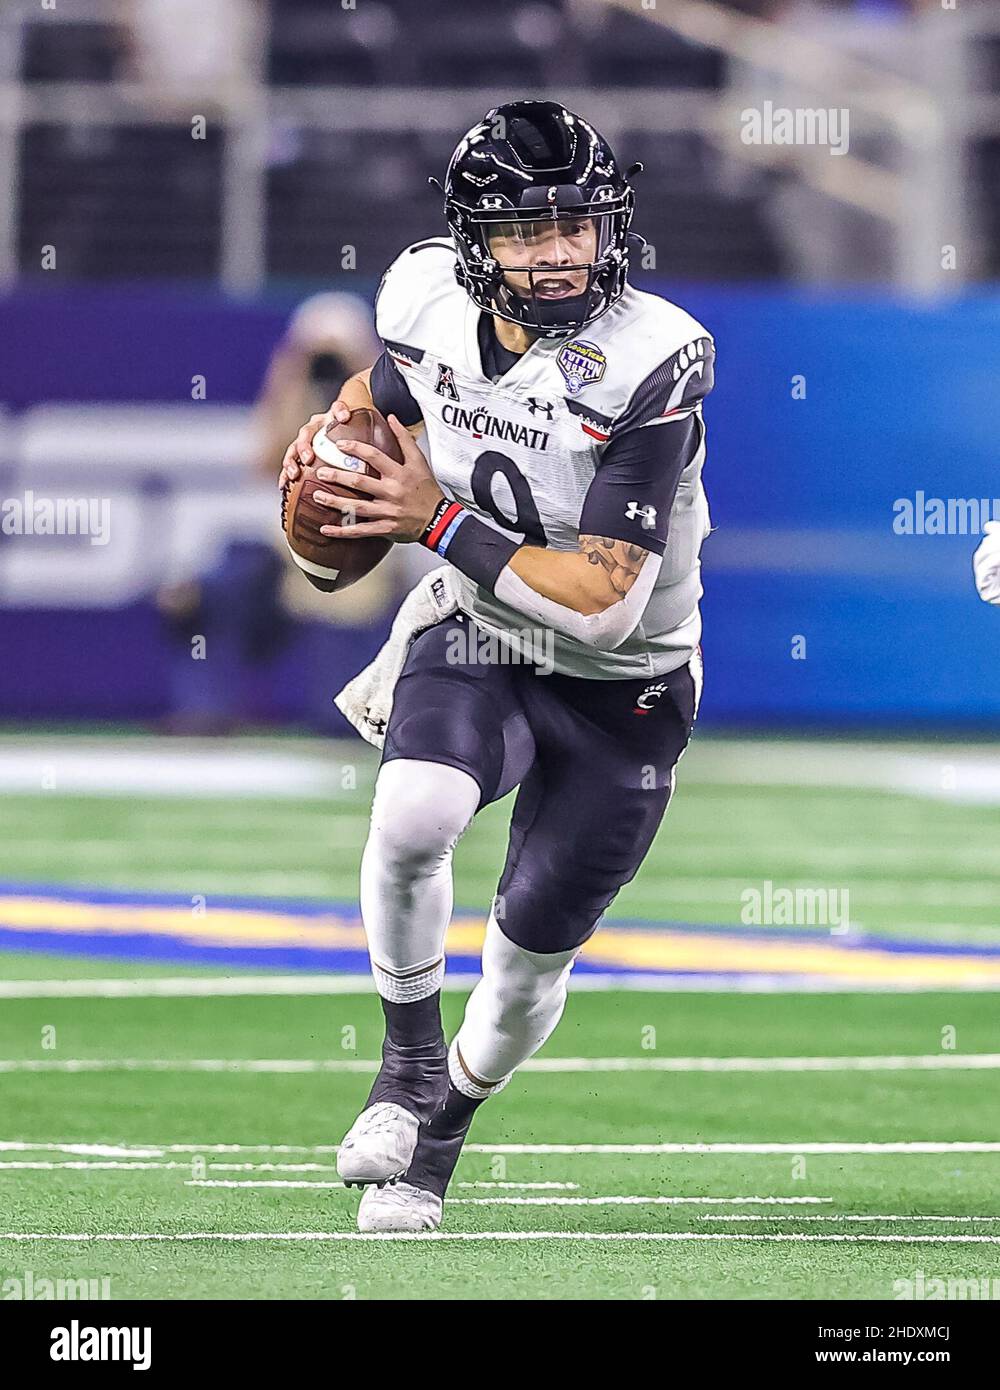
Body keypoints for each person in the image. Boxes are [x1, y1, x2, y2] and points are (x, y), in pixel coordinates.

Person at [279, 100, 715, 1232]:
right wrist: (333, 450)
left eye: (577, 223)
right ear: (475, 241)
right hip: (478, 625)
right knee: (414, 809)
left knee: (524, 968)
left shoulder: (652, 357)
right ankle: (404, 1067)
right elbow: (380, 397)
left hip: (627, 683)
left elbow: (604, 603)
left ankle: (443, 1134)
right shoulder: (425, 302)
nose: (558, 250)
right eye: (526, 229)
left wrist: (429, 519)